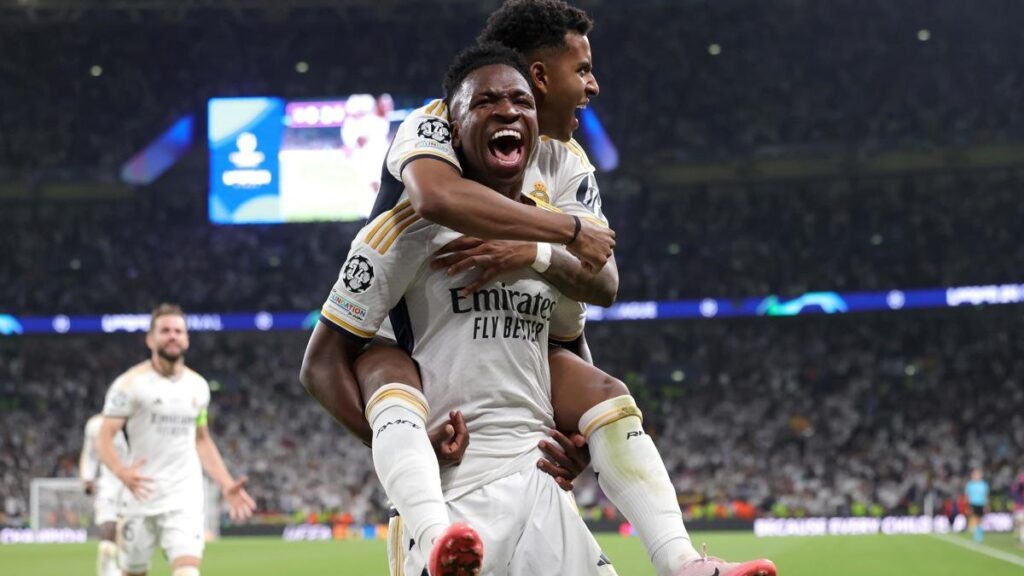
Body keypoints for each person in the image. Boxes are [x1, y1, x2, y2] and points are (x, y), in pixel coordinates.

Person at [303, 2, 776, 576]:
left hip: (526, 422)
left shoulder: (566, 162)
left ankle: (683, 563)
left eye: (518, 102)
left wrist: (533, 253)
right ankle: (433, 537)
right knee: (385, 370)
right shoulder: (432, 129)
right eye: (582, 69)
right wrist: (565, 231)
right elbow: (436, 197)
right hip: (404, 342)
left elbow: (602, 281)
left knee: (604, 389)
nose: (593, 86)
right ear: (539, 73)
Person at [97, 304, 256, 576]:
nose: (173, 336)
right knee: (133, 572)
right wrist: (121, 472)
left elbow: (202, 440)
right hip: (140, 495)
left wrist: (226, 483)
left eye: (178, 331)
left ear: (187, 339)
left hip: (184, 496)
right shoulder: (128, 385)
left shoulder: (198, 387)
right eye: (165, 331)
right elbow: (104, 436)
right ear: (150, 339)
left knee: (187, 571)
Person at [80, 413, 128, 576]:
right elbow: (90, 453)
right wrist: (87, 477)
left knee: (128, 532)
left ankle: (121, 564)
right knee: (108, 525)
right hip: (110, 482)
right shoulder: (96, 425)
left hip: (135, 483)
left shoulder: (140, 418)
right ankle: (108, 566)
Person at [965, 468, 989, 542]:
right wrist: (968, 504)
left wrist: (986, 504)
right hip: (973, 503)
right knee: (974, 517)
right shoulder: (970, 484)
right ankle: (976, 532)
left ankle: (979, 531)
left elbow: (985, 495)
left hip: (981, 503)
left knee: (980, 518)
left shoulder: (984, 485)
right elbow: (967, 495)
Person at [1011, 468, 1024, 546]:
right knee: (1019, 522)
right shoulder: (1019, 483)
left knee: (1021, 522)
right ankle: (1020, 537)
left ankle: (1021, 538)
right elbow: (1015, 494)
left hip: (1019, 505)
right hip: (1019, 505)